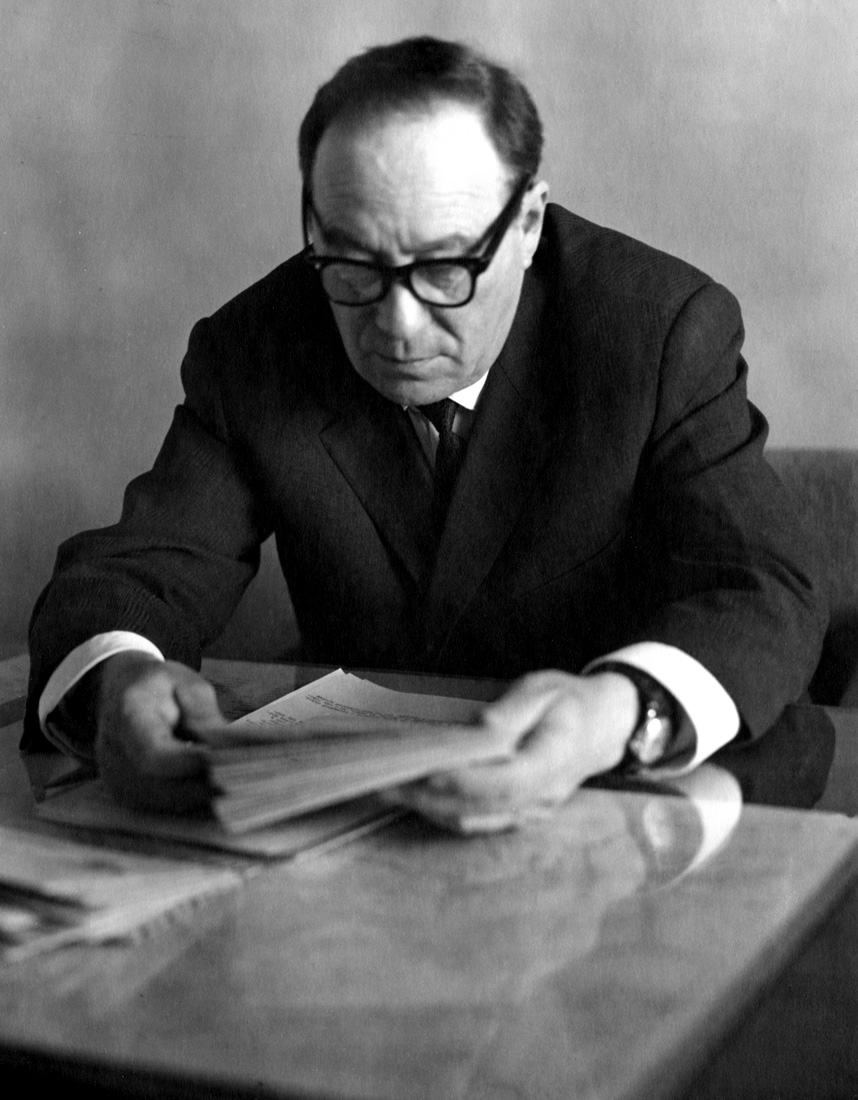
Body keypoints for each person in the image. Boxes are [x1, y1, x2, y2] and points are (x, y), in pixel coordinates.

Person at [23, 36, 826, 831]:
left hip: (635, 812)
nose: (398, 326)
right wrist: (121, 679)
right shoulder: (255, 346)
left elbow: (762, 587)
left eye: (446, 269)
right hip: (355, 828)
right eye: (352, 265)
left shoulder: (658, 329)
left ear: (527, 225)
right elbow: (138, 569)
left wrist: (618, 714)